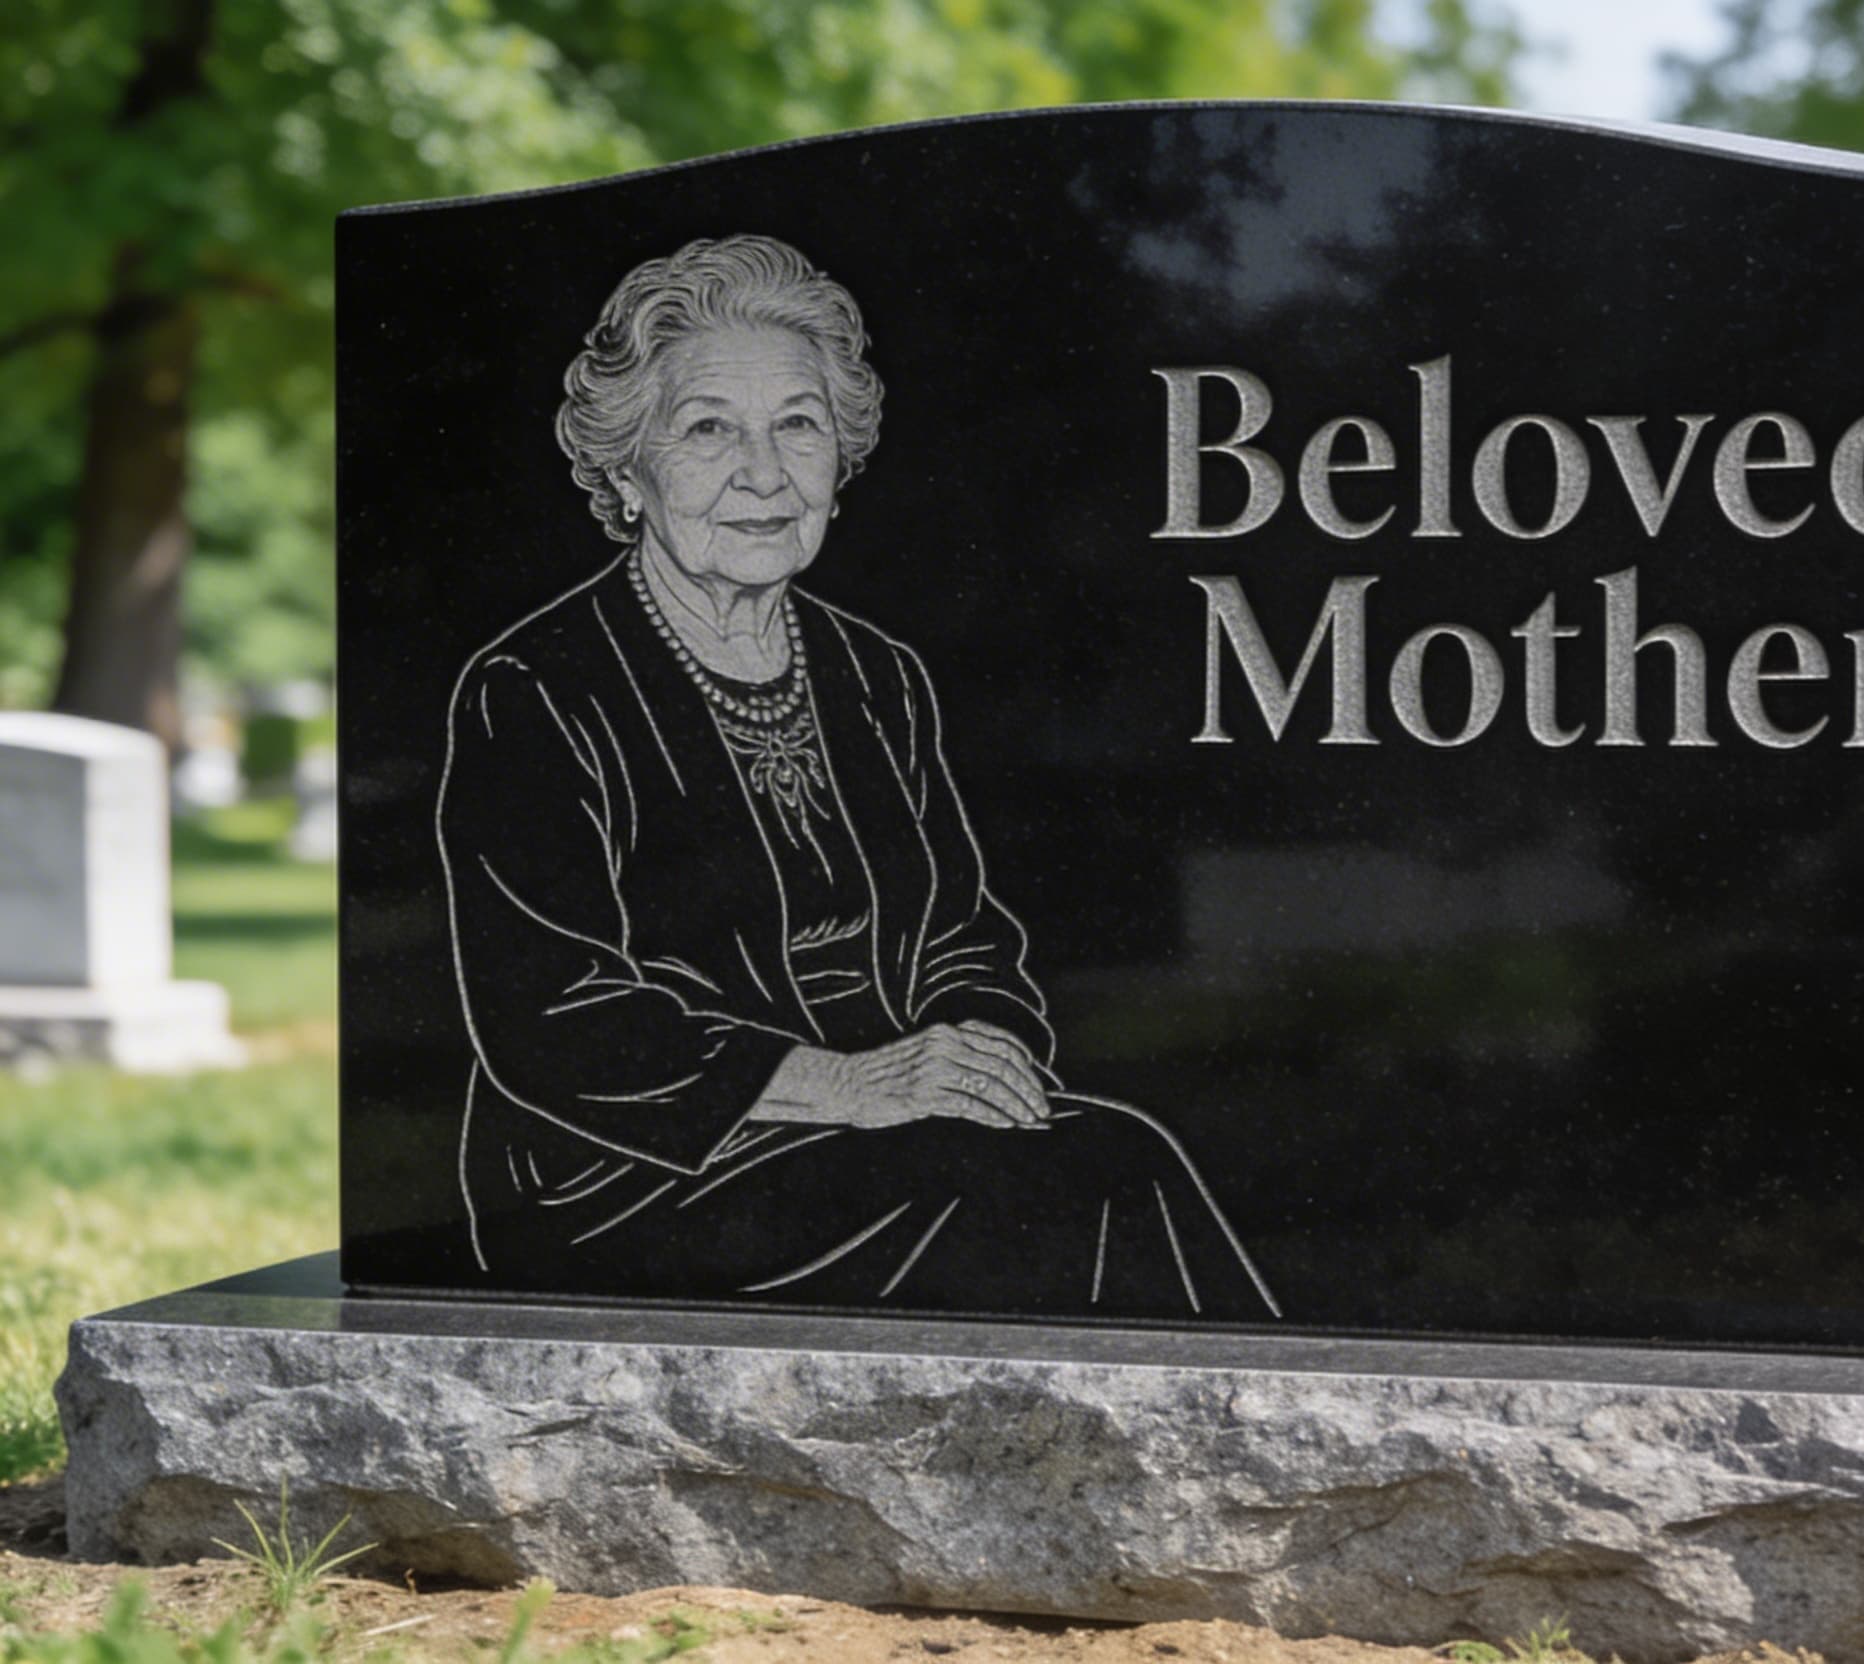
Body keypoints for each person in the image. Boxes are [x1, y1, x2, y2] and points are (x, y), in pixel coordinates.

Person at [436, 234, 1274, 1318]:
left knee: (1107, 1151)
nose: (765, 472)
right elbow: (549, 1013)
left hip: (888, 1131)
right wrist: (845, 1086)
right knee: (1083, 1177)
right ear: (625, 467)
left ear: (843, 453)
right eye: (707, 429)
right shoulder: (537, 687)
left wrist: (985, 1053)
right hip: (639, 1172)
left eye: (799, 423)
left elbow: (961, 933)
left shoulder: (875, 673)